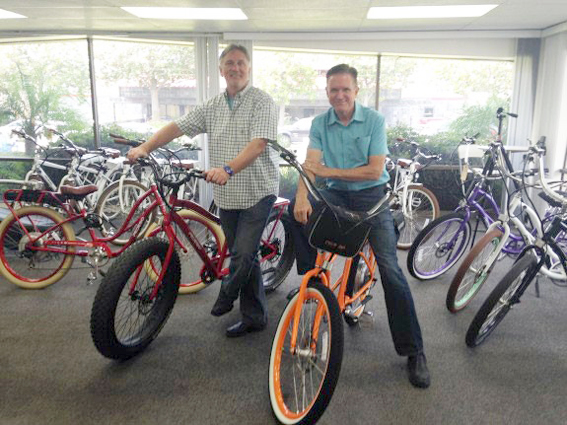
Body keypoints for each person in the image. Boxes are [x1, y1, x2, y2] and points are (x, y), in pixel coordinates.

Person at [290, 63, 431, 388]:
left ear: (355, 91)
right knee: (292, 214)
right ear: (327, 93)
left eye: (345, 89)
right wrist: (301, 197)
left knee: (392, 273)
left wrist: (329, 173)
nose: (339, 95)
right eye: (333, 90)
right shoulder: (320, 123)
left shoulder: (374, 121)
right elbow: (311, 164)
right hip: (335, 194)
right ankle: (314, 282)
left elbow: (373, 170)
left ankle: (415, 351)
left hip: (371, 197)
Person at [127, 44, 279, 338]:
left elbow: (258, 144)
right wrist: (146, 146)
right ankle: (255, 316)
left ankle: (226, 294)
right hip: (226, 194)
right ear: (221, 71)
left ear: (248, 69)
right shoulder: (212, 106)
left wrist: (228, 169)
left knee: (244, 254)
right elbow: (178, 127)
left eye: (241, 63)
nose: (235, 68)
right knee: (242, 255)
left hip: (258, 189)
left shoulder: (262, 101)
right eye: (229, 64)